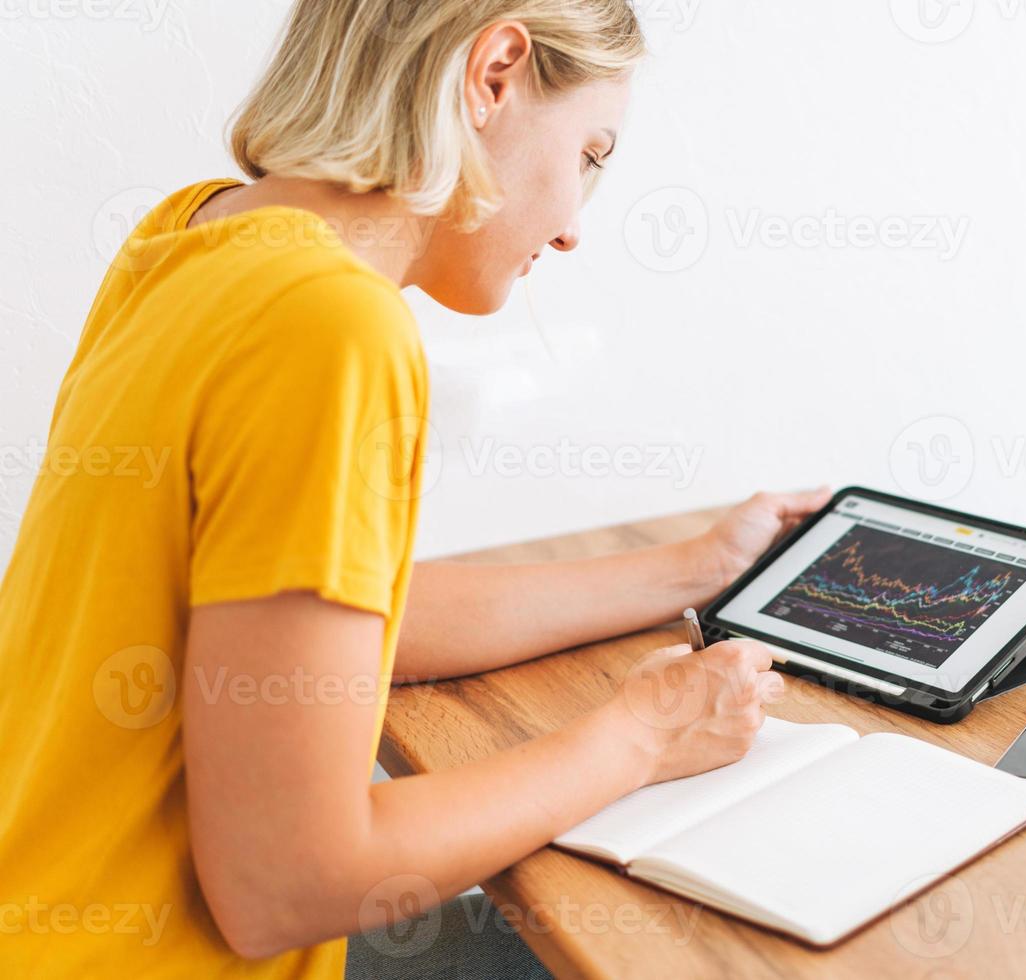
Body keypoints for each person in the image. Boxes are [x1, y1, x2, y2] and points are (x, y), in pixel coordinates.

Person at [0, 1, 830, 976]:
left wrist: (693, 569)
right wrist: (641, 734)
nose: (572, 230)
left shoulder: (195, 232)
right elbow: (285, 881)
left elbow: (303, 626)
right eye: (592, 154)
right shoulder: (331, 327)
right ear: (494, 75)